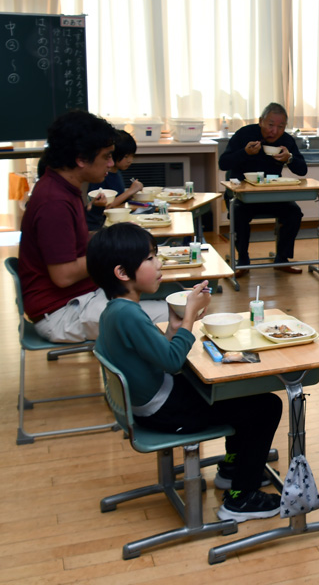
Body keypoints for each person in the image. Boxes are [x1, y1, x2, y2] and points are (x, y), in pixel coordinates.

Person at [88, 223, 283, 522]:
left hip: (152, 402)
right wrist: (190, 315)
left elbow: (157, 352)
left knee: (243, 395)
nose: (159, 264)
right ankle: (241, 499)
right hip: (163, 412)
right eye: (150, 258)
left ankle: (233, 471)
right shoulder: (128, 315)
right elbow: (172, 361)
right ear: (122, 273)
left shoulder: (115, 310)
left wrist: (174, 324)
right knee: (267, 405)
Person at [19, 110, 169, 343]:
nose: (111, 164)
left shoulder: (63, 187)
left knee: (173, 291)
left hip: (82, 296)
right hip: (63, 312)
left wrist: (113, 237)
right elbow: (64, 275)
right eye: (107, 156)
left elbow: (75, 244)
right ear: (81, 159)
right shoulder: (54, 202)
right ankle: (162, 379)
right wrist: (113, 250)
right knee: (178, 313)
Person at [218, 103, 308, 275]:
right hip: (243, 196)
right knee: (238, 213)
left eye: (280, 127)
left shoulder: (286, 141)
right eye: (270, 124)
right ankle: (243, 259)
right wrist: (244, 153)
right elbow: (223, 163)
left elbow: (302, 170)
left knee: (294, 213)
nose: (274, 131)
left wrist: (289, 159)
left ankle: (282, 259)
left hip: (272, 196)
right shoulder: (244, 134)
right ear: (261, 121)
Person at [86, 130, 143, 230]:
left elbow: (118, 197)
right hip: (104, 225)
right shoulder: (102, 175)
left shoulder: (116, 172)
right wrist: (130, 191)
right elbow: (105, 206)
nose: (130, 160)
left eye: (132, 156)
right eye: (126, 156)